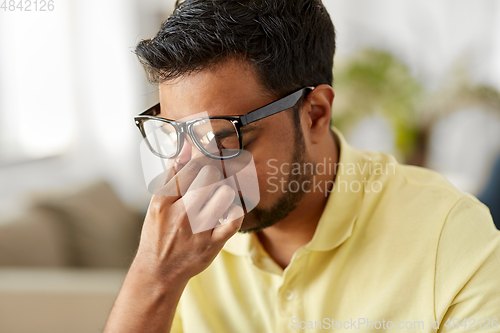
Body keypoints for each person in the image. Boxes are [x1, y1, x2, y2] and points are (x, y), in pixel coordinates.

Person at [104, 1, 500, 332]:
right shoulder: (180, 248)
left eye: (223, 138)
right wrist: (153, 277)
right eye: (175, 134)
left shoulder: (449, 236)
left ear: (315, 113)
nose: (196, 176)